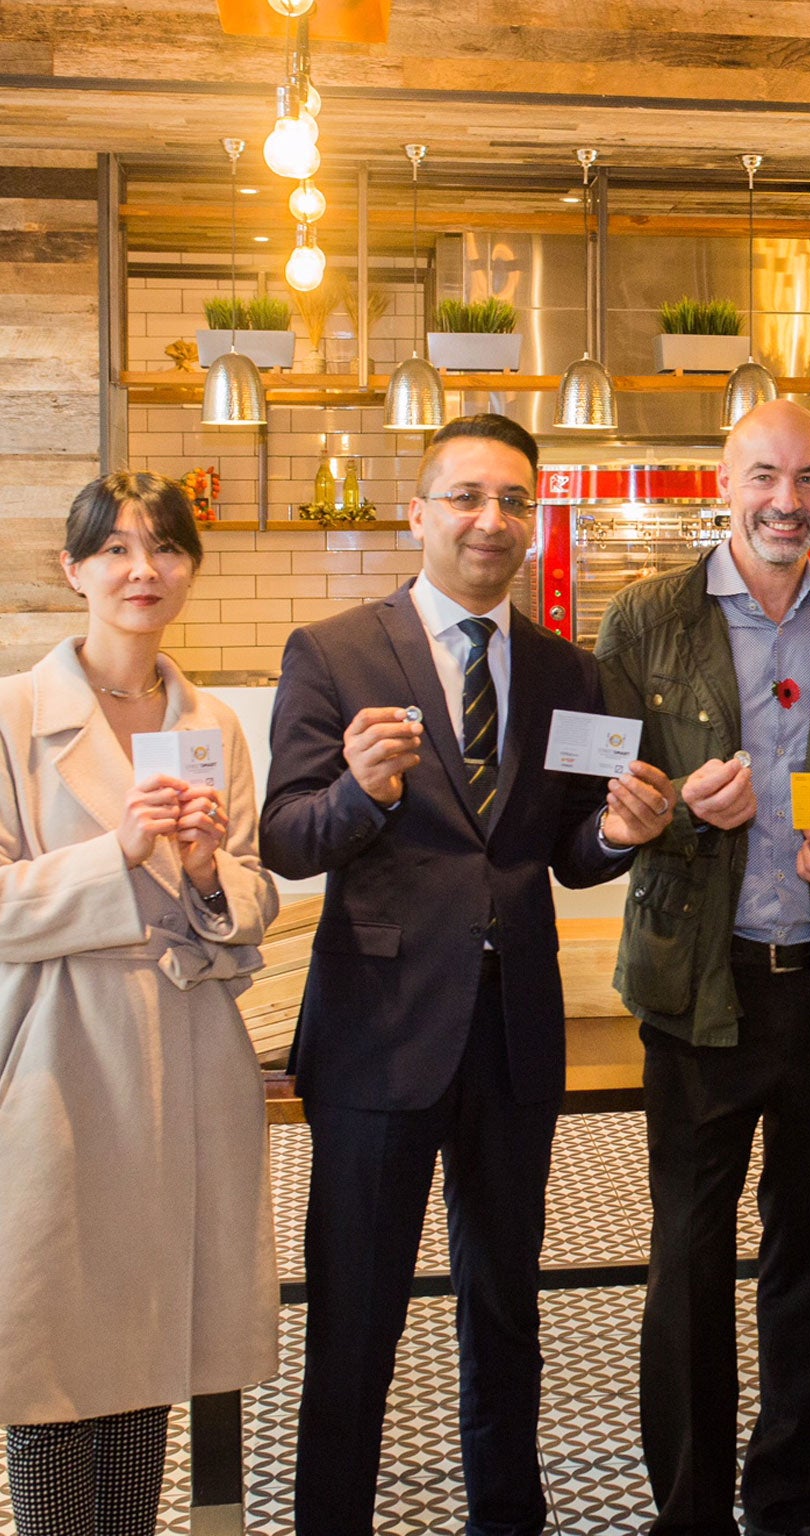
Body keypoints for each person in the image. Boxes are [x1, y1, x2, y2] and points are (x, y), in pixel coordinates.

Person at [262, 414, 677, 1536]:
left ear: (531, 521)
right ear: (419, 510)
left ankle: (510, 1518)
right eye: (464, 497)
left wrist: (627, 832)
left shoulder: (568, 670)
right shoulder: (336, 651)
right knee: (357, 1317)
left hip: (511, 1036)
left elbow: (568, 853)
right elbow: (288, 838)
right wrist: (362, 794)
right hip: (375, 1037)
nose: (489, 521)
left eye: (510, 502)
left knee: (506, 1309)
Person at [593, 399, 810, 1536]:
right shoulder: (645, 622)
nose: (787, 501)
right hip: (696, 987)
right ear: (721, 484)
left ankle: (788, 1506)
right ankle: (688, 1514)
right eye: (765, 476)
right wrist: (674, 810)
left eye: (808, 478)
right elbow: (603, 801)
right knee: (686, 1262)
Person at [0, 473, 278, 1536]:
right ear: (70, 569)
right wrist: (114, 855)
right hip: (62, 1070)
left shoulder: (210, 722)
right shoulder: (17, 712)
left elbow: (250, 895)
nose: (142, 570)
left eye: (164, 547)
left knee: (152, 1352)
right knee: (59, 1367)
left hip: (188, 1068)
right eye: (113, 549)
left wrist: (209, 873)